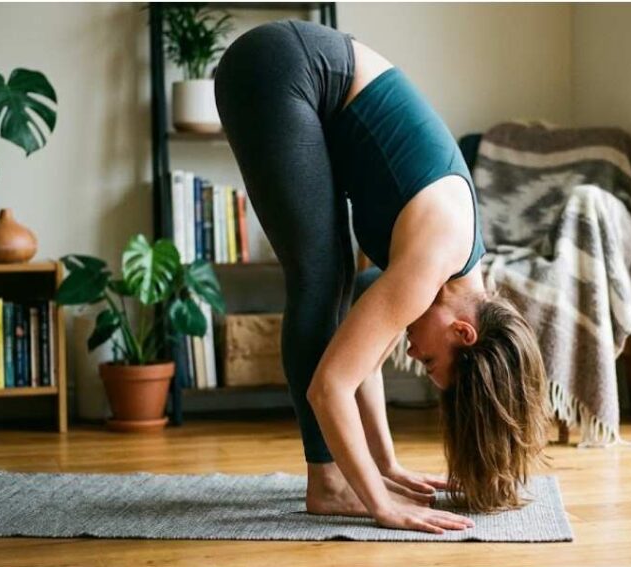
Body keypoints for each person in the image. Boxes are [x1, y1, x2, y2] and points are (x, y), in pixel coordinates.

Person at [214, 19, 549, 535]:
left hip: (293, 69)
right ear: (464, 331)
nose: (413, 357)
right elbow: (330, 387)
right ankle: (327, 484)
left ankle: (339, 479)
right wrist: (381, 504)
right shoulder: (432, 262)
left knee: (336, 288)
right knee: (321, 282)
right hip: (280, 68)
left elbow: (361, 353)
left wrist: (385, 466)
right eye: (433, 360)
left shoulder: (451, 270)